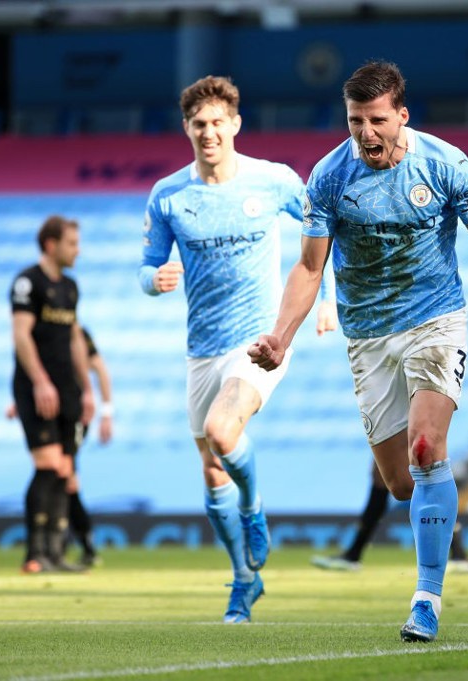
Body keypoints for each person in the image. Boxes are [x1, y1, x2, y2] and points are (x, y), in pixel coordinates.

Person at [249, 60, 468, 643]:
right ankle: (435, 513)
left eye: (376, 121)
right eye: (354, 122)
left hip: (434, 321)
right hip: (367, 334)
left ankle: (426, 600)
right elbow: (309, 267)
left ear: (402, 116)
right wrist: (281, 336)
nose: (365, 134)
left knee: (426, 448)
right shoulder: (327, 177)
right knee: (399, 483)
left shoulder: (444, 164)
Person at [139, 75, 335, 624]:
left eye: (217, 123)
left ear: (235, 125)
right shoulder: (169, 195)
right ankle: (245, 581)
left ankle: (253, 510)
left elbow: (327, 228)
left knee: (225, 434)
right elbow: (146, 265)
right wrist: (153, 281)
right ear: (187, 128)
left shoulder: (272, 182)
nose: (208, 132)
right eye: (199, 124)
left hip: (260, 338)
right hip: (202, 347)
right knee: (211, 469)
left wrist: (328, 299)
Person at [10, 215, 96, 574]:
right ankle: (34, 553)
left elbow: (75, 339)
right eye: (72, 243)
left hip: (68, 389)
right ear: (51, 244)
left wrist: (87, 389)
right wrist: (40, 381)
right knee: (47, 465)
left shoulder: (71, 288)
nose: (77, 250)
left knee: (64, 468)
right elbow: (21, 335)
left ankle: (56, 553)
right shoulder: (28, 282)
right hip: (37, 387)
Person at [6, 325, 113, 567]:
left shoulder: (78, 335)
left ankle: (59, 549)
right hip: (50, 407)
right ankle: (54, 550)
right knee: (64, 475)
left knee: (66, 474)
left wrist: (107, 411)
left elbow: (100, 369)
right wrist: (20, 402)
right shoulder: (40, 333)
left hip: (74, 412)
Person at [310, 460, 468, 573]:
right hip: (392, 417)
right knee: (383, 476)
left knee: (412, 480)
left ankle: (458, 553)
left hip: (402, 419)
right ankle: (353, 553)